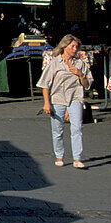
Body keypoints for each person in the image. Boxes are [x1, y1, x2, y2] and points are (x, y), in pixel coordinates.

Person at [37, 34, 92, 168]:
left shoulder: (80, 64)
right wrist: (46, 103)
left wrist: (80, 74)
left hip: (75, 97)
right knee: (58, 129)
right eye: (72, 46)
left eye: (76, 47)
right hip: (58, 98)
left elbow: (87, 85)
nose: (74, 49)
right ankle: (59, 156)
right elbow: (45, 84)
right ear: (64, 46)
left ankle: (77, 158)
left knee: (77, 127)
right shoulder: (55, 63)